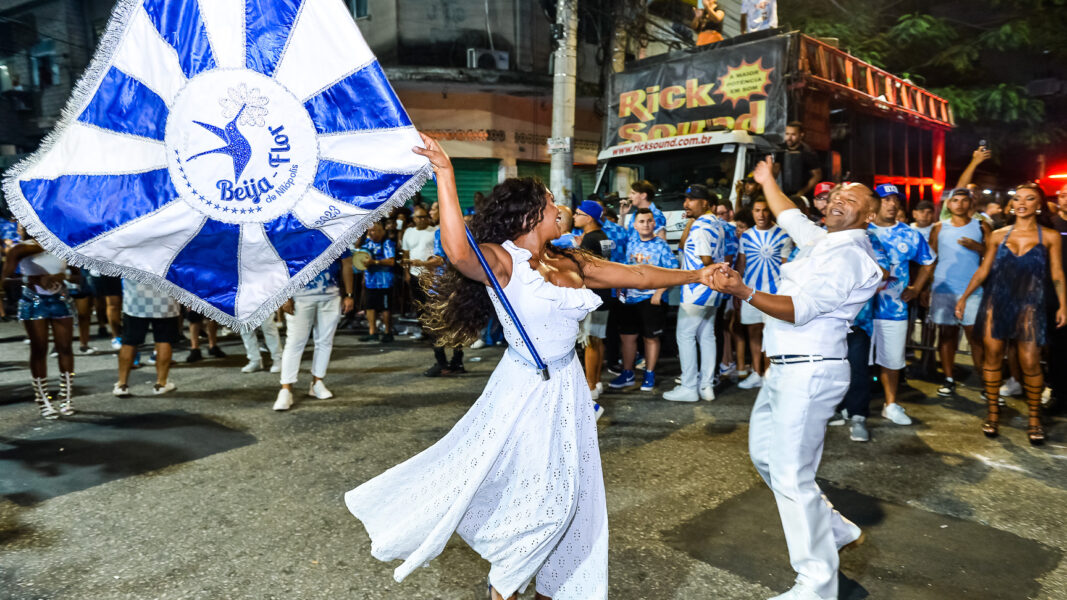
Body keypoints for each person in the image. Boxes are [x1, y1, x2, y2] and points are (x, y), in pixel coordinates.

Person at [345, 134, 717, 600]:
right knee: (543, 500)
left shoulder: (572, 260)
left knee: (568, 492)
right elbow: (459, 251)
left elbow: (638, 275)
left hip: (568, 387)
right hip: (524, 387)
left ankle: (552, 585)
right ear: (529, 216)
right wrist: (445, 173)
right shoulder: (505, 261)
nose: (561, 208)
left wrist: (697, 275)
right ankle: (506, 581)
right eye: (551, 202)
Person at [710, 157, 882, 600]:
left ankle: (817, 584)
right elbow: (789, 215)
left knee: (791, 474)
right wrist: (767, 180)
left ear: (869, 215)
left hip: (811, 371)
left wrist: (743, 291)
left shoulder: (848, 256)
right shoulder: (826, 240)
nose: (840, 199)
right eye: (837, 194)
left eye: (853, 199)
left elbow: (799, 309)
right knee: (766, 457)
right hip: (786, 368)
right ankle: (835, 528)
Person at [956, 184, 1066, 445]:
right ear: (1012, 204)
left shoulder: (1050, 236)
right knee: (993, 357)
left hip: (1030, 303)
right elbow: (983, 271)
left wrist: (1063, 304)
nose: (1022, 203)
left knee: (1030, 361)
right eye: (1017, 198)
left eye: (1029, 199)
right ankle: (993, 414)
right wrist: (964, 297)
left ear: (1038, 205)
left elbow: (1057, 274)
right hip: (997, 300)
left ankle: (1034, 419)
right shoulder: (997, 235)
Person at [868, 184, 936, 425]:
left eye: (895, 199)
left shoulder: (909, 234)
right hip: (859, 312)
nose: (892, 204)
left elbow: (928, 261)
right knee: (853, 360)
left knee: (892, 359)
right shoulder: (861, 230)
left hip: (893, 309)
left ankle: (891, 404)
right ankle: (851, 406)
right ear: (874, 202)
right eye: (886, 199)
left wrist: (917, 288)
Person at [2, 228, 76, 419]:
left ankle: (66, 398)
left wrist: (62, 276)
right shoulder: (20, 249)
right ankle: (43, 400)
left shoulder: (61, 244)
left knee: (65, 347)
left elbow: (78, 276)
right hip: (33, 302)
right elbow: (5, 279)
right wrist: (32, 279)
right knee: (39, 348)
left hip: (60, 299)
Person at [664, 184, 725, 403]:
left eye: (691, 200)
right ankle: (706, 386)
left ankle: (689, 386)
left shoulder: (700, 227)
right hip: (714, 290)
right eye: (686, 199)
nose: (685, 204)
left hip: (697, 289)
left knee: (685, 335)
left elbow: (706, 260)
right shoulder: (716, 223)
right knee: (707, 336)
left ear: (705, 203)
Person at [273, 253, 355, 411]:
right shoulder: (296, 231)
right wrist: (284, 295)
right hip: (300, 297)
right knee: (295, 343)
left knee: (325, 342)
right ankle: (286, 389)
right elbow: (282, 263)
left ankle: (317, 382)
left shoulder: (336, 232)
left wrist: (349, 295)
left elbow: (347, 263)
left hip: (331, 296)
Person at [928, 189, 991, 396]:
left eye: (965, 200)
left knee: (976, 337)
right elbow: (930, 259)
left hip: (972, 289)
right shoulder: (938, 228)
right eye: (955, 200)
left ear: (971, 203)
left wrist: (977, 247)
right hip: (943, 288)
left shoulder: (981, 226)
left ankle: (984, 381)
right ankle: (948, 379)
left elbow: (993, 256)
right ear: (948, 204)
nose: (960, 204)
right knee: (947, 335)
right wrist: (926, 288)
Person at [609, 208, 680, 392]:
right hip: (630, 299)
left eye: (649, 221)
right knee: (627, 337)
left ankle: (649, 373)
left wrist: (659, 292)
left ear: (654, 223)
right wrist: (620, 289)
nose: (646, 224)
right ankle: (628, 373)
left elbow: (673, 271)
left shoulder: (661, 245)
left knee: (650, 338)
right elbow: (624, 268)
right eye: (641, 221)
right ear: (635, 225)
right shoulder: (630, 243)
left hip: (651, 299)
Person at [735, 198, 794, 390]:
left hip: (774, 294)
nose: (761, 215)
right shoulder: (746, 236)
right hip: (750, 291)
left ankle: (769, 374)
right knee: (753, 332)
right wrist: (737, 291)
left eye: (765, 210)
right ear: (752, 213)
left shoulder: (783, 235)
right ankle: (756, 372)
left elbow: (787, 268)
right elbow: (742, 265)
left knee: (771, 335)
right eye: (757, 210)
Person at [574, 200, 612, 413]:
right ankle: (597, 382)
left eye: (578, 214)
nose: (574, 217)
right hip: (605, 296)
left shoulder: (589, 239)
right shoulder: (605, 237)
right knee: (598, 339)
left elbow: (585, 270)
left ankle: (590, 386)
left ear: (589, 218)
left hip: (592, 297)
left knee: (589, 341)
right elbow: (607, 261)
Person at [113, 279, 180, 396]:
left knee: (129, 341)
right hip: (165, 298)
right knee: (164, 339)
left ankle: (122, 384)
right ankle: (161, 384)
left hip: (135, 299)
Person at [422, 225, 466, 377]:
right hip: (461, 284)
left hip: (442, 286)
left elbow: (439, 258)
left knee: (434, 326)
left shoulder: (441, 232)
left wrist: (422, 264)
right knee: (457, 326)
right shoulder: (467, 231)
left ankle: (442, 364)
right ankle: (457, 362)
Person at [358, 221, 397, 343]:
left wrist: (375, 262)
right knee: (370, 307)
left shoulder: (387, 243)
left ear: (382, 231)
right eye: (370, 230)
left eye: (375, 230)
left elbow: (391, 261)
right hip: (370, 281)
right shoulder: (367, 243)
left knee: (385, 308)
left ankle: (387, 332)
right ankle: (372, 332)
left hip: (385, 281)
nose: (372, 233)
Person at [1049, 184, 1067, 408]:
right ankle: (1058, 396)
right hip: (1055, 295)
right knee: (1058, 348)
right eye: (1063, 195)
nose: (1066, 199)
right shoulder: (1050, 225)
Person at [779, 122, 822, 198]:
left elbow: (817, 175)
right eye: (787, 134)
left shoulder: (808, 152)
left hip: (801, 195)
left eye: (793, 135)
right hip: (782, 193)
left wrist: (802, 192)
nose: (789, 138)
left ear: (801, 135)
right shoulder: (780, 149)